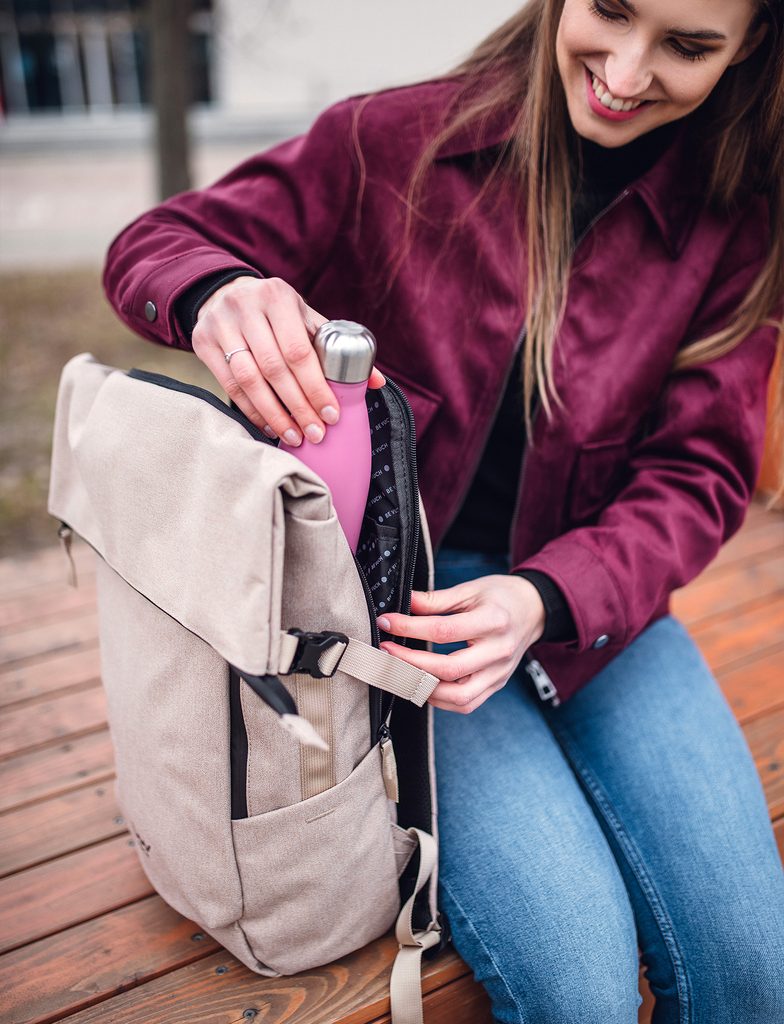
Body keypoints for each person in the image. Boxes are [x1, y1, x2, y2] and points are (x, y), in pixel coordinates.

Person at [103, 0, 784, 1019]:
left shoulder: (741, 218)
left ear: (751, 50)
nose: (626, 72)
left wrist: (543, 597)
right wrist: (214, 293)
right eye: (610, 9)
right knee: (577, 984)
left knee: (752, 963)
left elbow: (699, 473)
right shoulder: (385, 142)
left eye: (687, 46)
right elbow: (157, 242)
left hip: (600, 601)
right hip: (398, 619)